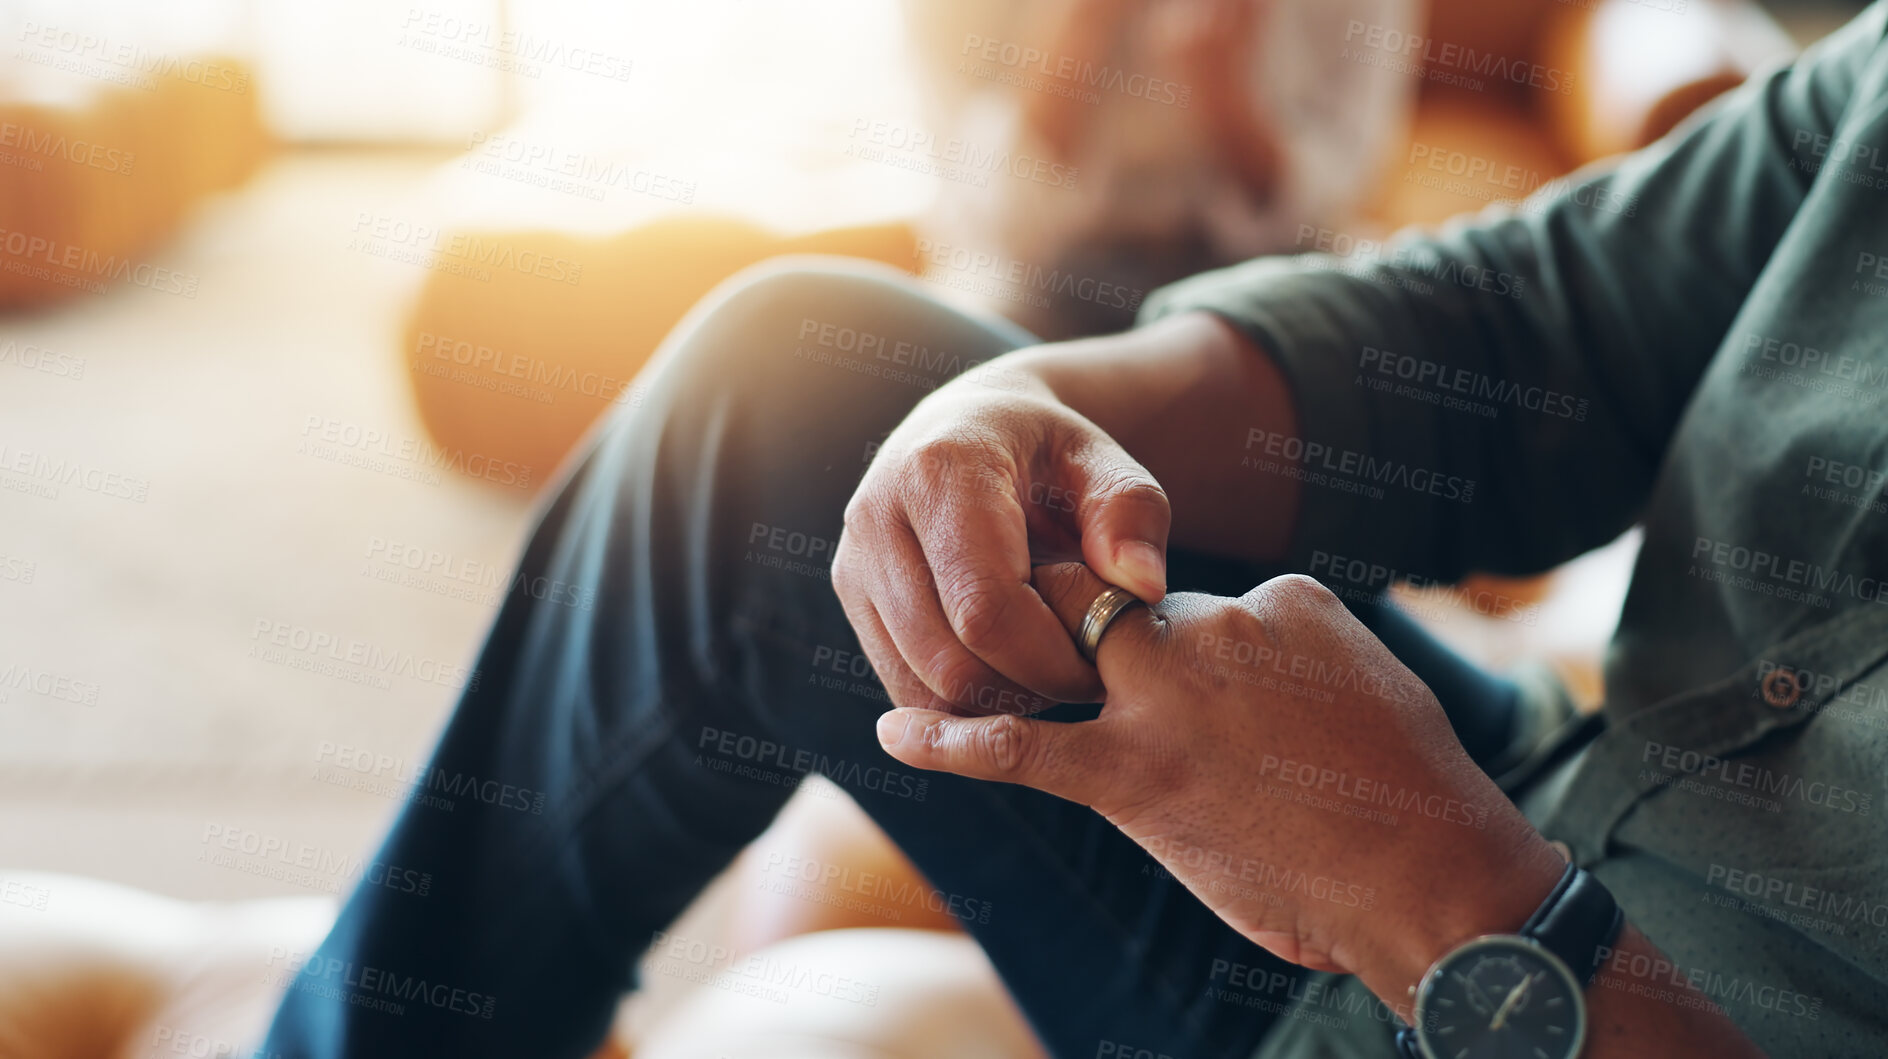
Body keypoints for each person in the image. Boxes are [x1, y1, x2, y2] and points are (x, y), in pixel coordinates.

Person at [264, 4, 1888, 1057]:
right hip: (1549, 798)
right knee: (787, 378)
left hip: (1517, 985)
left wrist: (1441, 891)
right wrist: (1021, 408)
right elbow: (1537, 325)